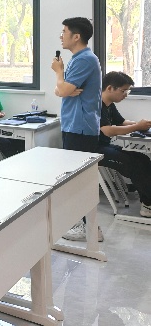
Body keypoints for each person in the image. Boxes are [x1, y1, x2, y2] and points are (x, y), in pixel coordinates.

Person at [51, 17, 103, 242]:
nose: (61, 36)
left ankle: (90, 229)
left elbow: (61, 89)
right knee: (75, 178)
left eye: (64, 31)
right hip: (74, 124)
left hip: (80, 127)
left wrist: (58, 72)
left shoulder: (85, 60)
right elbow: (59, 91)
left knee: (79, 180)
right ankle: (86, 225)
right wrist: (63, 87)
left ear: (76, 36)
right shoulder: (78, 58)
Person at [97, 72, 151, 216]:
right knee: (133, 163)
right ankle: (147, 205)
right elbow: (108, 131)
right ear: (110, 88)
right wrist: (137, 126)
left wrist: (143, 125)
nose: (125, 95)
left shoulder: (109, 105)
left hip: (105, 146)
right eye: (123, 91)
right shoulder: (97, 105)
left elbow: (121, 122)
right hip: (95, 150)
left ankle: (147, 199)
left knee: (143, 158)